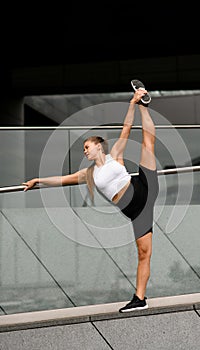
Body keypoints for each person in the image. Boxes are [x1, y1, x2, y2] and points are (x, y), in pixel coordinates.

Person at [23, 79, 159, 313]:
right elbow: (62, 180)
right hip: (137, 211)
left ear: (99, 147)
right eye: (84, 149)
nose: (85, 151)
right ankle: (140, 299)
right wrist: (38, 181)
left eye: (87, 147)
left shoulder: (114, 155)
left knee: (148, 143)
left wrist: (133, 104)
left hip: (143, 187)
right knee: (143, 253)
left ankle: (144, 105)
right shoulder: (88, 174)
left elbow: (126, 128)